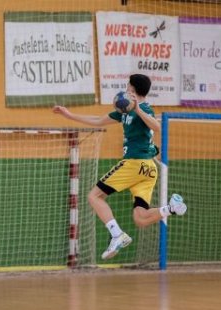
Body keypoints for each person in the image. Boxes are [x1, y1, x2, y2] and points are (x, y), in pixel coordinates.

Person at [53, 74, 187, 260]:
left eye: (128, 86)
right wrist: (69, 115)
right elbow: (98, 120)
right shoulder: (124, 110)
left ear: (132, 90)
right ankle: (171, 208)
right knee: (140, 218)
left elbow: (157, 127)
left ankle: (117, 234)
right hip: (148, 170)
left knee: (94, 196)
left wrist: (139, 110)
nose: (126, 89)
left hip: (135, 163)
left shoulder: (144, 108)